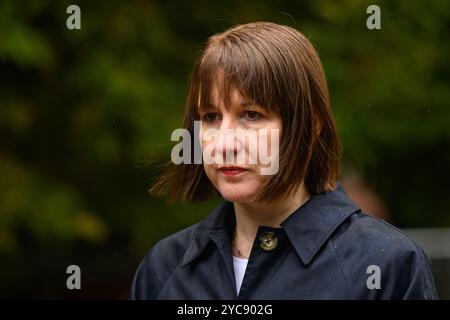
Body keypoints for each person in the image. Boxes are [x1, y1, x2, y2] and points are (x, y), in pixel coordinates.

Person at [131, 21, 438, 299]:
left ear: (311, 125)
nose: (224, 143)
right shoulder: (164, 268)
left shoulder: (385, 265)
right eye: (210, 117)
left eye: (251, 115)